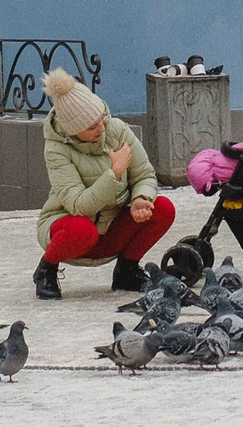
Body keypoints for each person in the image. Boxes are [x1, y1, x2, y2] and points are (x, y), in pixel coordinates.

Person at [32, 68, 173, 301]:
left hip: (109, 232)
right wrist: (114, 172)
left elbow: (145, 175)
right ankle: (47, 268)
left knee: (163, 208)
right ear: (72, 130)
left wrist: (140, 199)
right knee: (82, 230)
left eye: (102, 119)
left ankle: (126, 270)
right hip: (71, 233)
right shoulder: (56, 149)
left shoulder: (117, 130)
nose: (101, 129)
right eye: (91, 127)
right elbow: (78, 206)